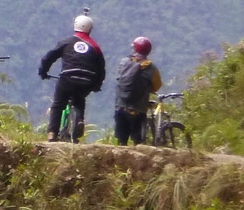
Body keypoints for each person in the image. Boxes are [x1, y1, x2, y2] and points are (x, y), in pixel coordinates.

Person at [38, 11, 105, 142]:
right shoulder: (95, 47)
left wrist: (43, 71)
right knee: (79, 101)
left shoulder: (66, 42)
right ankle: (79, 120)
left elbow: (49, 57)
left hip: (67, 78)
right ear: (90, 28)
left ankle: (52, 133)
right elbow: (101, 69)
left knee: (58, 104)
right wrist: (97, 85)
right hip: (87, 80)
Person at [111, 37, 163, 146]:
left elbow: (120, 78)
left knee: (121, 142)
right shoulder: (151, 68)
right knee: (138, 143)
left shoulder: (124, 62)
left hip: (120, 106)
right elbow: (156, 86)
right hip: (138, 109)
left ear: (134, 49)